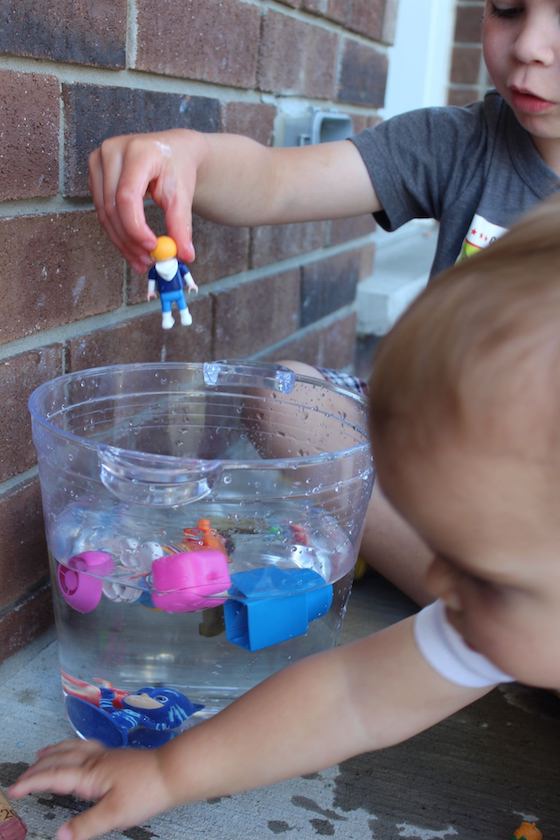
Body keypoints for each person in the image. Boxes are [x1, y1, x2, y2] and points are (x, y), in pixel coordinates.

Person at [9, 191, 560, 840]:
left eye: (486, 574)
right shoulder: (502, 620)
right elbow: (352, 694)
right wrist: (165, 774)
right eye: (439, 543)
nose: (437, 583)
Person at [87, 0, 560, 603]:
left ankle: (497, 608)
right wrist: (186, 155)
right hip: (429, 456)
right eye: (508, 8)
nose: (529, 46)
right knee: (286, 398)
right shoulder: (463, 143)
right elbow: (275, 183)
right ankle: (501, 607)